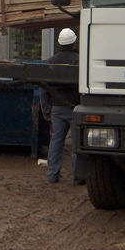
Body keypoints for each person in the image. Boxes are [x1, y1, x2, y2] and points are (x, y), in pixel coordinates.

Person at [41, 28, 81, 184]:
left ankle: (52, 174)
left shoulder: (51, 61)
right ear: (74, 43)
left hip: (57, 108)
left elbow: (44, 87)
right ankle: (78, 176)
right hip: (76, 108)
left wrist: (46, 109)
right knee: (78, 144)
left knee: (56, 141)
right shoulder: (79, 60)